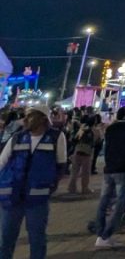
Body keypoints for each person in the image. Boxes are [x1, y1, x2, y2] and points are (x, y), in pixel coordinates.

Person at [0, 104, 67, 259]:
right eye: (26, 115)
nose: (26, 119)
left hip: (38, 198)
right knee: (6, 239)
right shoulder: (17, 137)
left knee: (37, 239)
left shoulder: (56, 137)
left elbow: (61, 164)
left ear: (43, 119)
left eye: (31, 116)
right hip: (12, 197)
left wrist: (51, 186)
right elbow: (2, 162)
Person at [93, 103, 125, 248]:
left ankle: (100, 233)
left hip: (109, 167)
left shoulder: (111, 128)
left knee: (104, 201)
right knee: (121, 202)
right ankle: (106, 234)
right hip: (123, 167)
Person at [68, 115, 95, 194]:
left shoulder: (79, 128)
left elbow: (73, 139)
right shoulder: (90, 130)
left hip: (77, 150)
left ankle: (71, 187)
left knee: (74, 171)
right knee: (85, 172)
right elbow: (93, 142)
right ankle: (85, 188)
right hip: (86, 152)